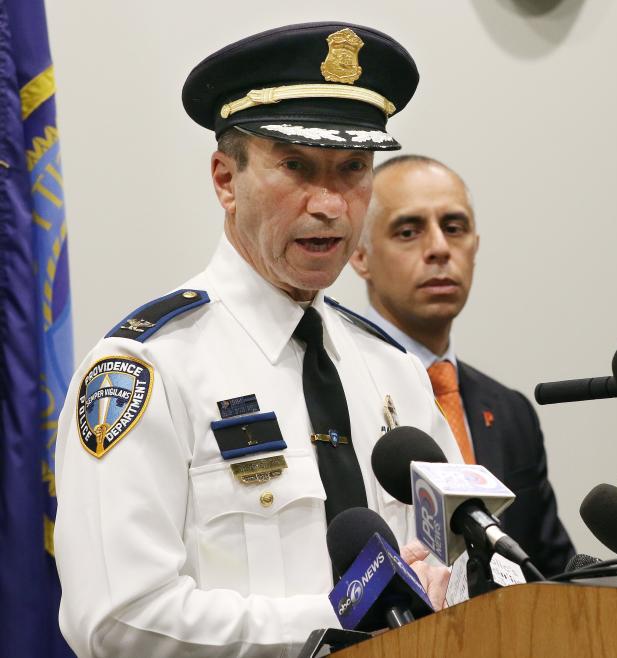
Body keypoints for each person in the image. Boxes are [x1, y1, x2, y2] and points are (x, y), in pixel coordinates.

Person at [54, 23, 461, 657]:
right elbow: (117, 618)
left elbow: (453, 558)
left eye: (352, 168)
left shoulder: (394, 371)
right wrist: (336, 620)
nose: (329, 204)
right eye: (296, 166)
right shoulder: (146, 371)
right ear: (225, 179)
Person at [349, 155, 575, 576]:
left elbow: (551, 569)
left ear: (475, 244)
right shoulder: (338, 391)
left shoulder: (509, 411)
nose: (438, 248)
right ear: (359, 255)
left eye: (454, 228)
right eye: (408, 231)